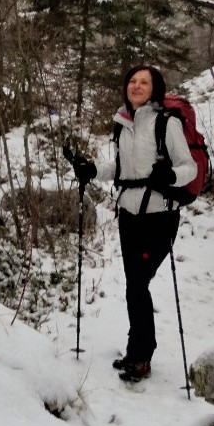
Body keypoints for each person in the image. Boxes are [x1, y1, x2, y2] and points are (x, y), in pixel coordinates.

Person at [64, 65, 197, 382]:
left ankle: (140, 356)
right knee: (134, 284)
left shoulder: (167, 123)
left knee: (137, 283)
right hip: (128, 215)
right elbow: (122, 169)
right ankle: (138, 353)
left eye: (144, 82)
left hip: (161, 215)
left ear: (155, 89)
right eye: (132, 81)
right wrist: (92, 169)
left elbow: (188, 168)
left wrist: (171, 176)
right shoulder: (122, 124)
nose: (136, 86)